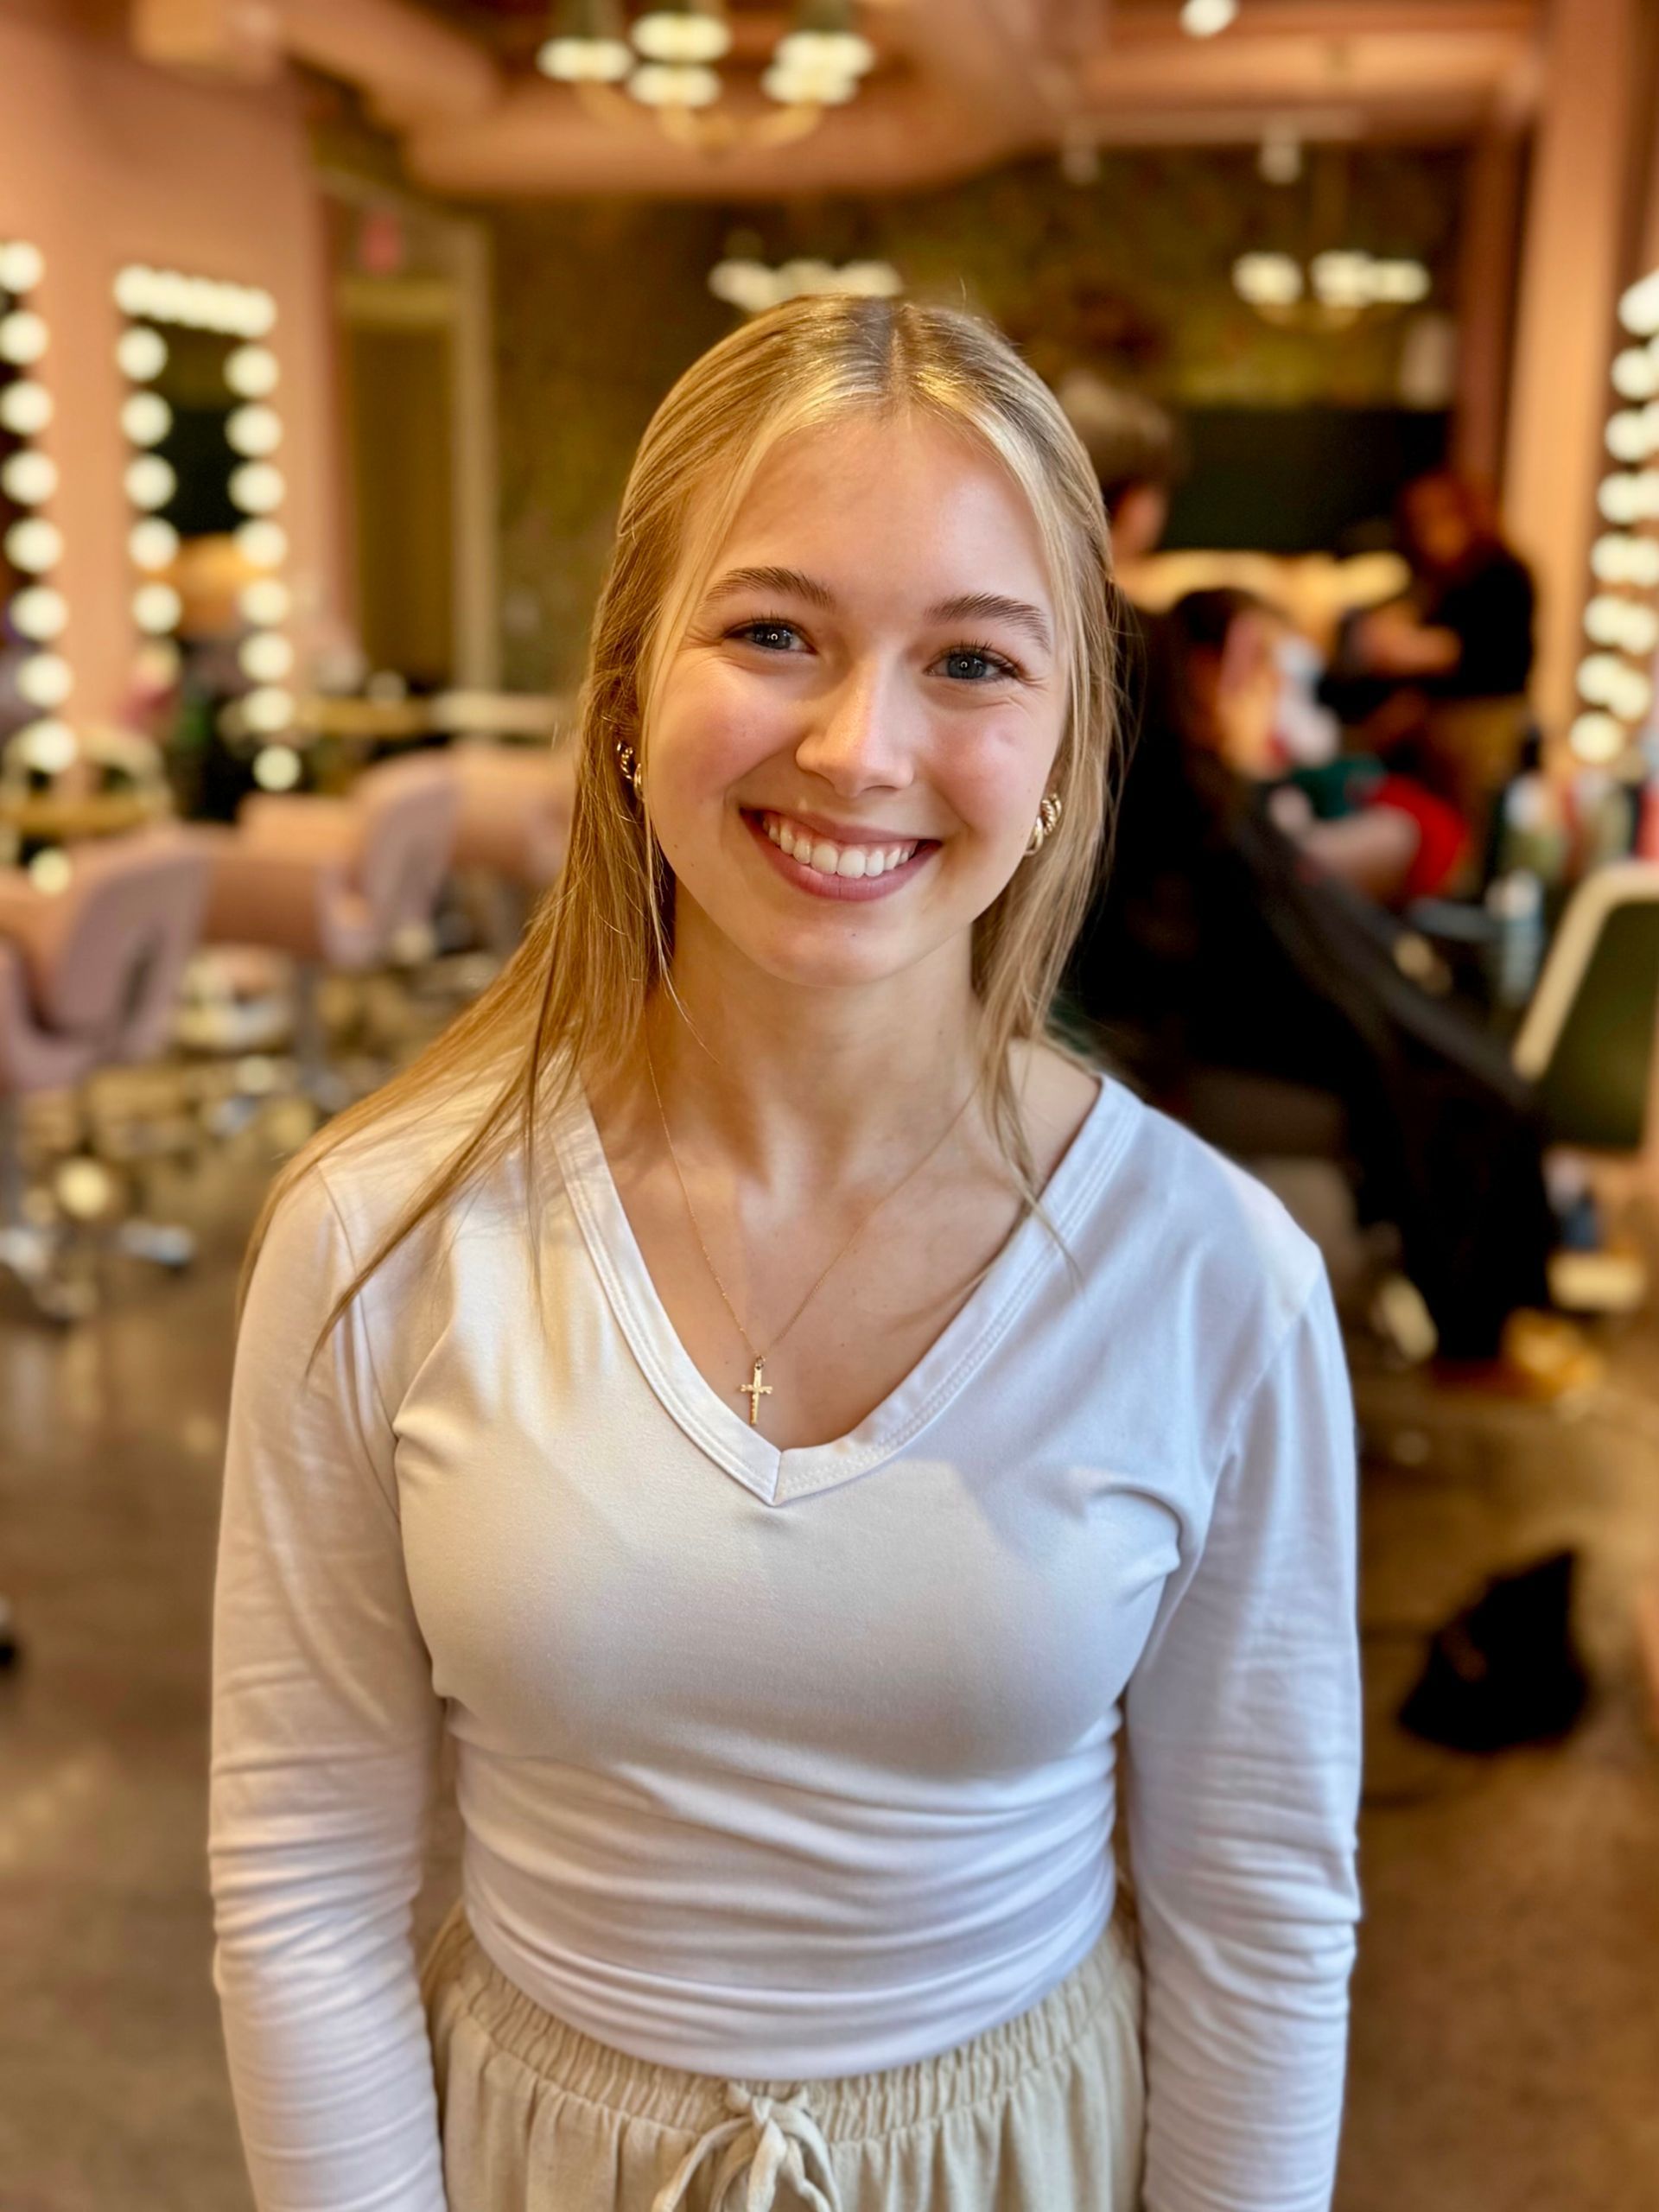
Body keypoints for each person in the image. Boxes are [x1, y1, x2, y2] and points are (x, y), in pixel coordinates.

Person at [210, 300, 1362, 2212]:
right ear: (625, 693)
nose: (858, 746)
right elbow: (306, 1871)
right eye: (772, 632)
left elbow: (1259, 1919)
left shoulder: (1210, 1273)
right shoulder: (379, 1231)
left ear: (1070, 744)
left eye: (973, 660)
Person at [1069, 586, 1592, 1396]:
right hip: (1217, 1054)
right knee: (1450, 1082)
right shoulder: (1190, 812)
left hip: (1293, 1016)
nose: (1270, 689)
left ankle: (1489, 1324)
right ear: (1199, 671)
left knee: (1473, 1079)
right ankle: (1478, 1334)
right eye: (1256, 666)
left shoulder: (1212, 800)